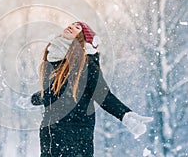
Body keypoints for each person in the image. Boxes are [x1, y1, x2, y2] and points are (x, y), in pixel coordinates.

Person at [29, 21, 153, 157]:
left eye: (78, 28)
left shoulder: (85, 65)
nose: (72, 26)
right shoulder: (56, 62)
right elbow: (54, 94)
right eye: (72, 24)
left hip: (75, 140)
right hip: (50, 140)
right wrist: (34, 99)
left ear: (82, 39)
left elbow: (103, 95)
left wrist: (125, 115)